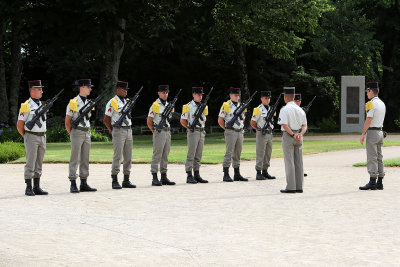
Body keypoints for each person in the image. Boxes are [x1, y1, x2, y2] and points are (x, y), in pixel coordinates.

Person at [65, 79, 97, 193]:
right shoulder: (73, 102)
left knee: (85, 158)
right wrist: (73, 133)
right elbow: (67, 121)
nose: (90, 89)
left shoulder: (88, 102)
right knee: (75, 158)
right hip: (77, 131)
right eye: (88, 87)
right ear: (82, 87)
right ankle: (73, 182)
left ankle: (84, 182)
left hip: (86, 132)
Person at [17, 80, 48, 196]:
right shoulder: (26, 106)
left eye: (41, 89)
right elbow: (20, 124)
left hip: (42, 136)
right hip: (31, 136)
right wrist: (27, 136)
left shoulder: (41, 104)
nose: (42, 91)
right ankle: (28, 187)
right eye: (39, 89)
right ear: (32, 91)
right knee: (30, 162)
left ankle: (37, 186)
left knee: (39, 163)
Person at [104, 81, 136, 189]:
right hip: (118, 130)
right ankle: (114, 179)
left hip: (128, 130)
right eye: (124, 89)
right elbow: (106, 119)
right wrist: (112, 130)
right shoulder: (112, 102)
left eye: (126, 90)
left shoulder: (127, 102)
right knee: (118, 155)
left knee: (128, 156)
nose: (126, 91)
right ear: (118, 89)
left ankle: (126, 180)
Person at [278, 87, 307, 193]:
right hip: (299, 136)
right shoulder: (301, 110)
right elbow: (304, 126)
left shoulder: (284, 109)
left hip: (289, 135)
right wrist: (300, 134)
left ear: (285, 97)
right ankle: (299, 186)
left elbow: (284, 124)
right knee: (299, 162)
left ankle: (291, 187)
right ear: (294, 97)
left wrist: (293, 134)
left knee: (289, 161)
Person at [359, 82, 386, 190]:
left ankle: (372, 182)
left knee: (372, 157)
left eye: (367, 91)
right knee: (379, 157)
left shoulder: (371, 103)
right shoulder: (382, 103)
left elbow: (369, 119)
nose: (367, 94)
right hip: (380, 132)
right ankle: (380, 182)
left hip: (373, 133)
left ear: (370, 91)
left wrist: (363, 133)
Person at [147, 85, 176, 186]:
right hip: (159, 131)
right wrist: (153, 130)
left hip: (167, 131)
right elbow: (149, 120)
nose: (165, 94)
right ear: (159, 93)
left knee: (165, 155)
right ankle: (154, 177)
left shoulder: (169, 105)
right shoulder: (155, 105)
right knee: (157, 154)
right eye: (163, 92)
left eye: (167, 92)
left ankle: (164, 176)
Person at [218, 87, 248, 182]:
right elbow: (220, 120)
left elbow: (243, 118)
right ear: (230, 95)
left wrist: (240, 126)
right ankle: (226, 174)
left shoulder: (241, 105)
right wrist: (227, 129)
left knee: (237, 153)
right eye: (235, 95)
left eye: (238, 95)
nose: (237, 97)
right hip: (231, 131)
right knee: (229, 152)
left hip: (239, 131)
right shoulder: (226, 105)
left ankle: (237, 173)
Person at [180, 87, 209, 184]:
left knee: (198, 154)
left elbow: (204, 119)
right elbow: (182, 120)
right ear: (193, 95)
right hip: (193, 131)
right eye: (198, 94)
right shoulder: (187, 106)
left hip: (201, 131)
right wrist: (189, 128)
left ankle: (197, 174)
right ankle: (189, 175)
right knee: (191, 154)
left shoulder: (204, 106)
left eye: (201, 95)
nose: (200, 96)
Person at [250, 91, 276, 180]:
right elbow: (252, 122)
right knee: (260, 153)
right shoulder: (258, 109)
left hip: (270, 133)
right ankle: (258, 172)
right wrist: (259, 129)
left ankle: (265, 171)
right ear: (261, 99)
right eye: (266, 98)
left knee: (268, 153)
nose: (267, 99)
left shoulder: (271, 108)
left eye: (269, 98)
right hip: (262, 133)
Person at [294, 93, 308, 177]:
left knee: (299, 154)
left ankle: (300, 171)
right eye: (296, 100)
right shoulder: (289, 110)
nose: (298, 102)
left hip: (300, 133)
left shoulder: (302, 111)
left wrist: (302, 132)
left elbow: (304, 123)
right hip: (292, 133)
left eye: (299, 101)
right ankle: (294, 171)